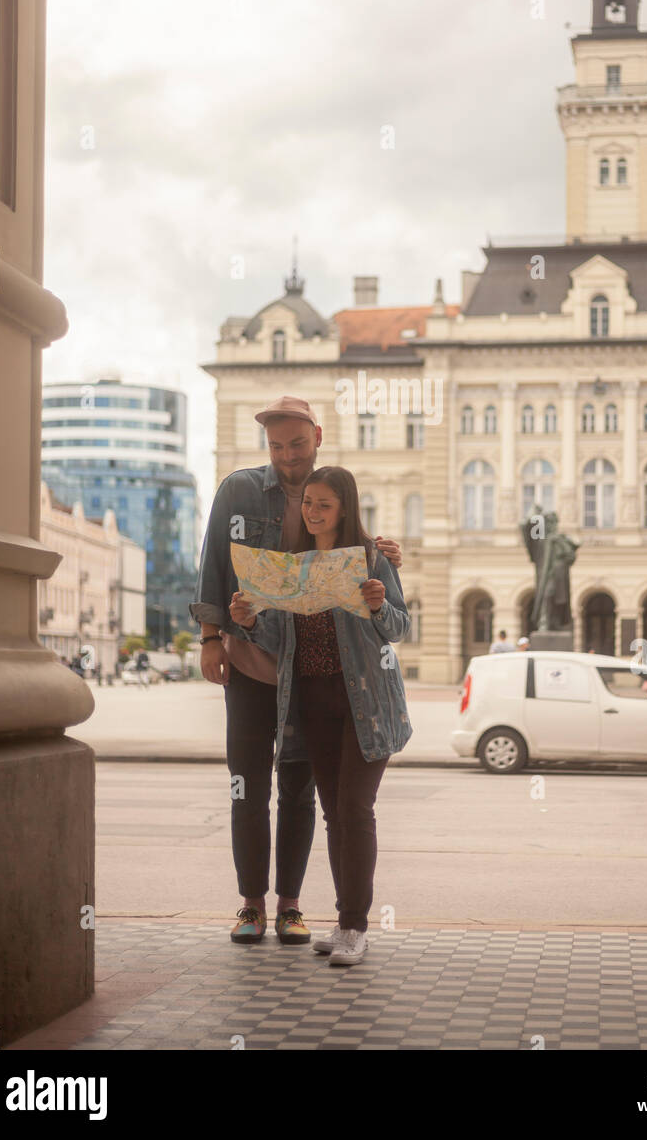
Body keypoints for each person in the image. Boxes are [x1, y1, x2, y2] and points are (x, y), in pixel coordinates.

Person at [190, 396, 402, 948]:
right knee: (247, 787)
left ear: (318, 438)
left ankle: (290, 905)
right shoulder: (238, 490)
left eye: (297, 443)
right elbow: (214, 562)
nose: (286, 454)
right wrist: (212, 638)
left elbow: (348, 564)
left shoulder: (331, 492)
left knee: (301, 791)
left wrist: (379, 558)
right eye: (277, 445)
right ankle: (250, 905)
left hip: (305, 676)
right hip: (252, 664)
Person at [231, 465, 411, 967]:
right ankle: (343, 921)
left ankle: (356, 926)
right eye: (307, 502)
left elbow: (400, 628)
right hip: (311, 703)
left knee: (355, 810)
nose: (311, 512)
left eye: (323, 504)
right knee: (334, 816)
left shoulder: (371, 558)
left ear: (345, 509)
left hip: (365, 703)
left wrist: (378, 606)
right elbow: (279, 642)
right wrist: (249, 621)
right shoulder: (293, 566)